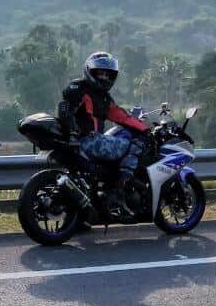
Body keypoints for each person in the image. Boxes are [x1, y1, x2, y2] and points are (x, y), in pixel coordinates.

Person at [59, 51, 149, 218]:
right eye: (100, 72)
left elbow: (120, 116)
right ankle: (121, 187)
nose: (104, 77)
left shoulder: (101, 97)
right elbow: (66, 109)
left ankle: (87, 211)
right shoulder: (81, 89)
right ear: (90, 71)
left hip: (80, 142)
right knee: (132, 143)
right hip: (87, 141)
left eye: (108, 74)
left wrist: (142, 126)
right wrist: (145, 131)